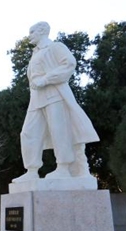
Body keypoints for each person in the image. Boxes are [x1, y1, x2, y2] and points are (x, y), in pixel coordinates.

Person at [13, 21, 100, 183]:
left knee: (59, 131)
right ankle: (32, 170)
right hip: (36, 98)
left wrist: (46, 79)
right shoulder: (35, 53)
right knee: (28, 132)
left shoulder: (55, 47)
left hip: (55, 95)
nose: (29, 35)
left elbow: (69, 64)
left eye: (32, 32)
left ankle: (63, 168)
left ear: (42, 31)